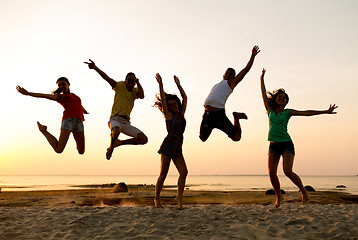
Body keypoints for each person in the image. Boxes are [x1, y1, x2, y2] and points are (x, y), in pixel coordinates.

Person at [260, 68, 338, 208]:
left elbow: (306, 113)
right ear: (276, 98)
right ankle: (279, 197)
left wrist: (325, 111)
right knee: (272, 173)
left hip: (287, 144)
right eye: (280, 96)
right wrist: (262, 79)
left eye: (284, 98)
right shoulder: (269, 110)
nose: (282, 98)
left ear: (286, 101)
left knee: (287, 171)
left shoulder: (288, 112)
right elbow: (263, 95)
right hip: (273, 145)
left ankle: (303, 191)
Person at [84, 59, 148, 160]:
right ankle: (111, 147)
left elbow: (142, 96)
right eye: (129, 81)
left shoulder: (135, 92)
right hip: (115, 120)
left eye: (133, 82)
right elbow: (107, 78)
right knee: (117, 131)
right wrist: (95, 68)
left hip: (126, 123)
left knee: (144, 139)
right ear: (125, 80)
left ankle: (119, 143)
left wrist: (138, 82)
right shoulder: (119, 86)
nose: (131, 84)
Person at [199, 46, 260, 142]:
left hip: (219, 115)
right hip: (207, 115)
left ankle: (236, 117)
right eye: (227, 73)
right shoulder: (216, 85)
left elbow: (245, 70)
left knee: (236, 137)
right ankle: (212, 126)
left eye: (231, 74)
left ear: (233, 78)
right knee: (202, 138)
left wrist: (252, 56)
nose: (228, 75)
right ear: (223, 75)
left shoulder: (231, 83)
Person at [16, 77, 88, 154]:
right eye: (59, 85)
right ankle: (43, 130)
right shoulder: (60, 97)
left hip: (79, 122)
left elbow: (79, 105)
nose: (61, 86)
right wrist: (28, 93)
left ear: (69, 84)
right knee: (59, 149)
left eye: (63, 84)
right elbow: (44, 95)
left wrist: (84, 111)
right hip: (68, 121)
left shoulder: (75, 96)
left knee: (81, 151)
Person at [154, 73, 188, 209]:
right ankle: (156, 198)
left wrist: (178, 85)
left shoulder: (181, 113)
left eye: (175, 104)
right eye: (171, 105)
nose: (173, 106)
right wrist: (160, 84)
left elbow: (185, 97)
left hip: (178, 146)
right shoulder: (168, 115)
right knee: (163, 174)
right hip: (168, 145)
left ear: (178, 105)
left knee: (184, 172)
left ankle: (179, 198)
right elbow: (163, 99)